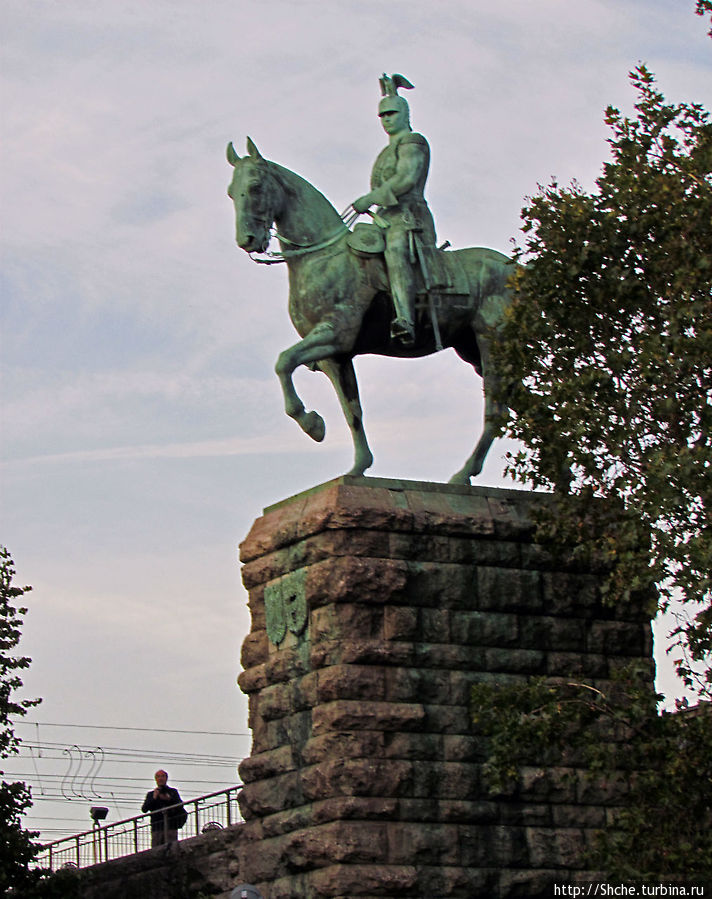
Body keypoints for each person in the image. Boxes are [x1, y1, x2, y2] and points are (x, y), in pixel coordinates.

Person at [352, 73, 437, 345]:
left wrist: (371, 197)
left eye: (391, 113)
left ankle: (405, 319)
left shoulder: (414, 141)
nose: (387, 119)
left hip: (410, 218)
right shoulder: (383, 153)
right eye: (383, 115)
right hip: (385, 218)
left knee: (396, 248)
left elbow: (406, 178)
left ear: (404, 114)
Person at [141, 769, 186, 847]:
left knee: (172, 848)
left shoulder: (172, 792)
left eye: (162, 776)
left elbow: (180, 805)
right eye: (158, 777)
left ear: (166, 778)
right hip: (157, 827)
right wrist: (154, 798)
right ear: (155, 779)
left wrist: (169, 799)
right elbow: (144, 809)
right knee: (156, 850)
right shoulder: (151, 794)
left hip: (171, 825)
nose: (160, 778)